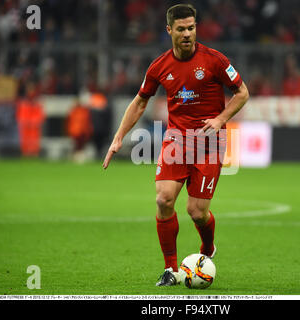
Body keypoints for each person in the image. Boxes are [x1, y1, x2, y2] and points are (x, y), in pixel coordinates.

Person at [102, 4, 249, 286]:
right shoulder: (159, 66)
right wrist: (119, 136)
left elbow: (242, 93)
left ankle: (207, 249)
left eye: (191, 28)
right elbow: (140, 101)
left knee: (197, 212)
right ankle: (171, 269)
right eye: (181, 29)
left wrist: (220, 119)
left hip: (209, 141)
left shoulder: (215, 60)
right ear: (169, 30)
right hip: (176, 140)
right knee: (163, 199)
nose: (187, 34)